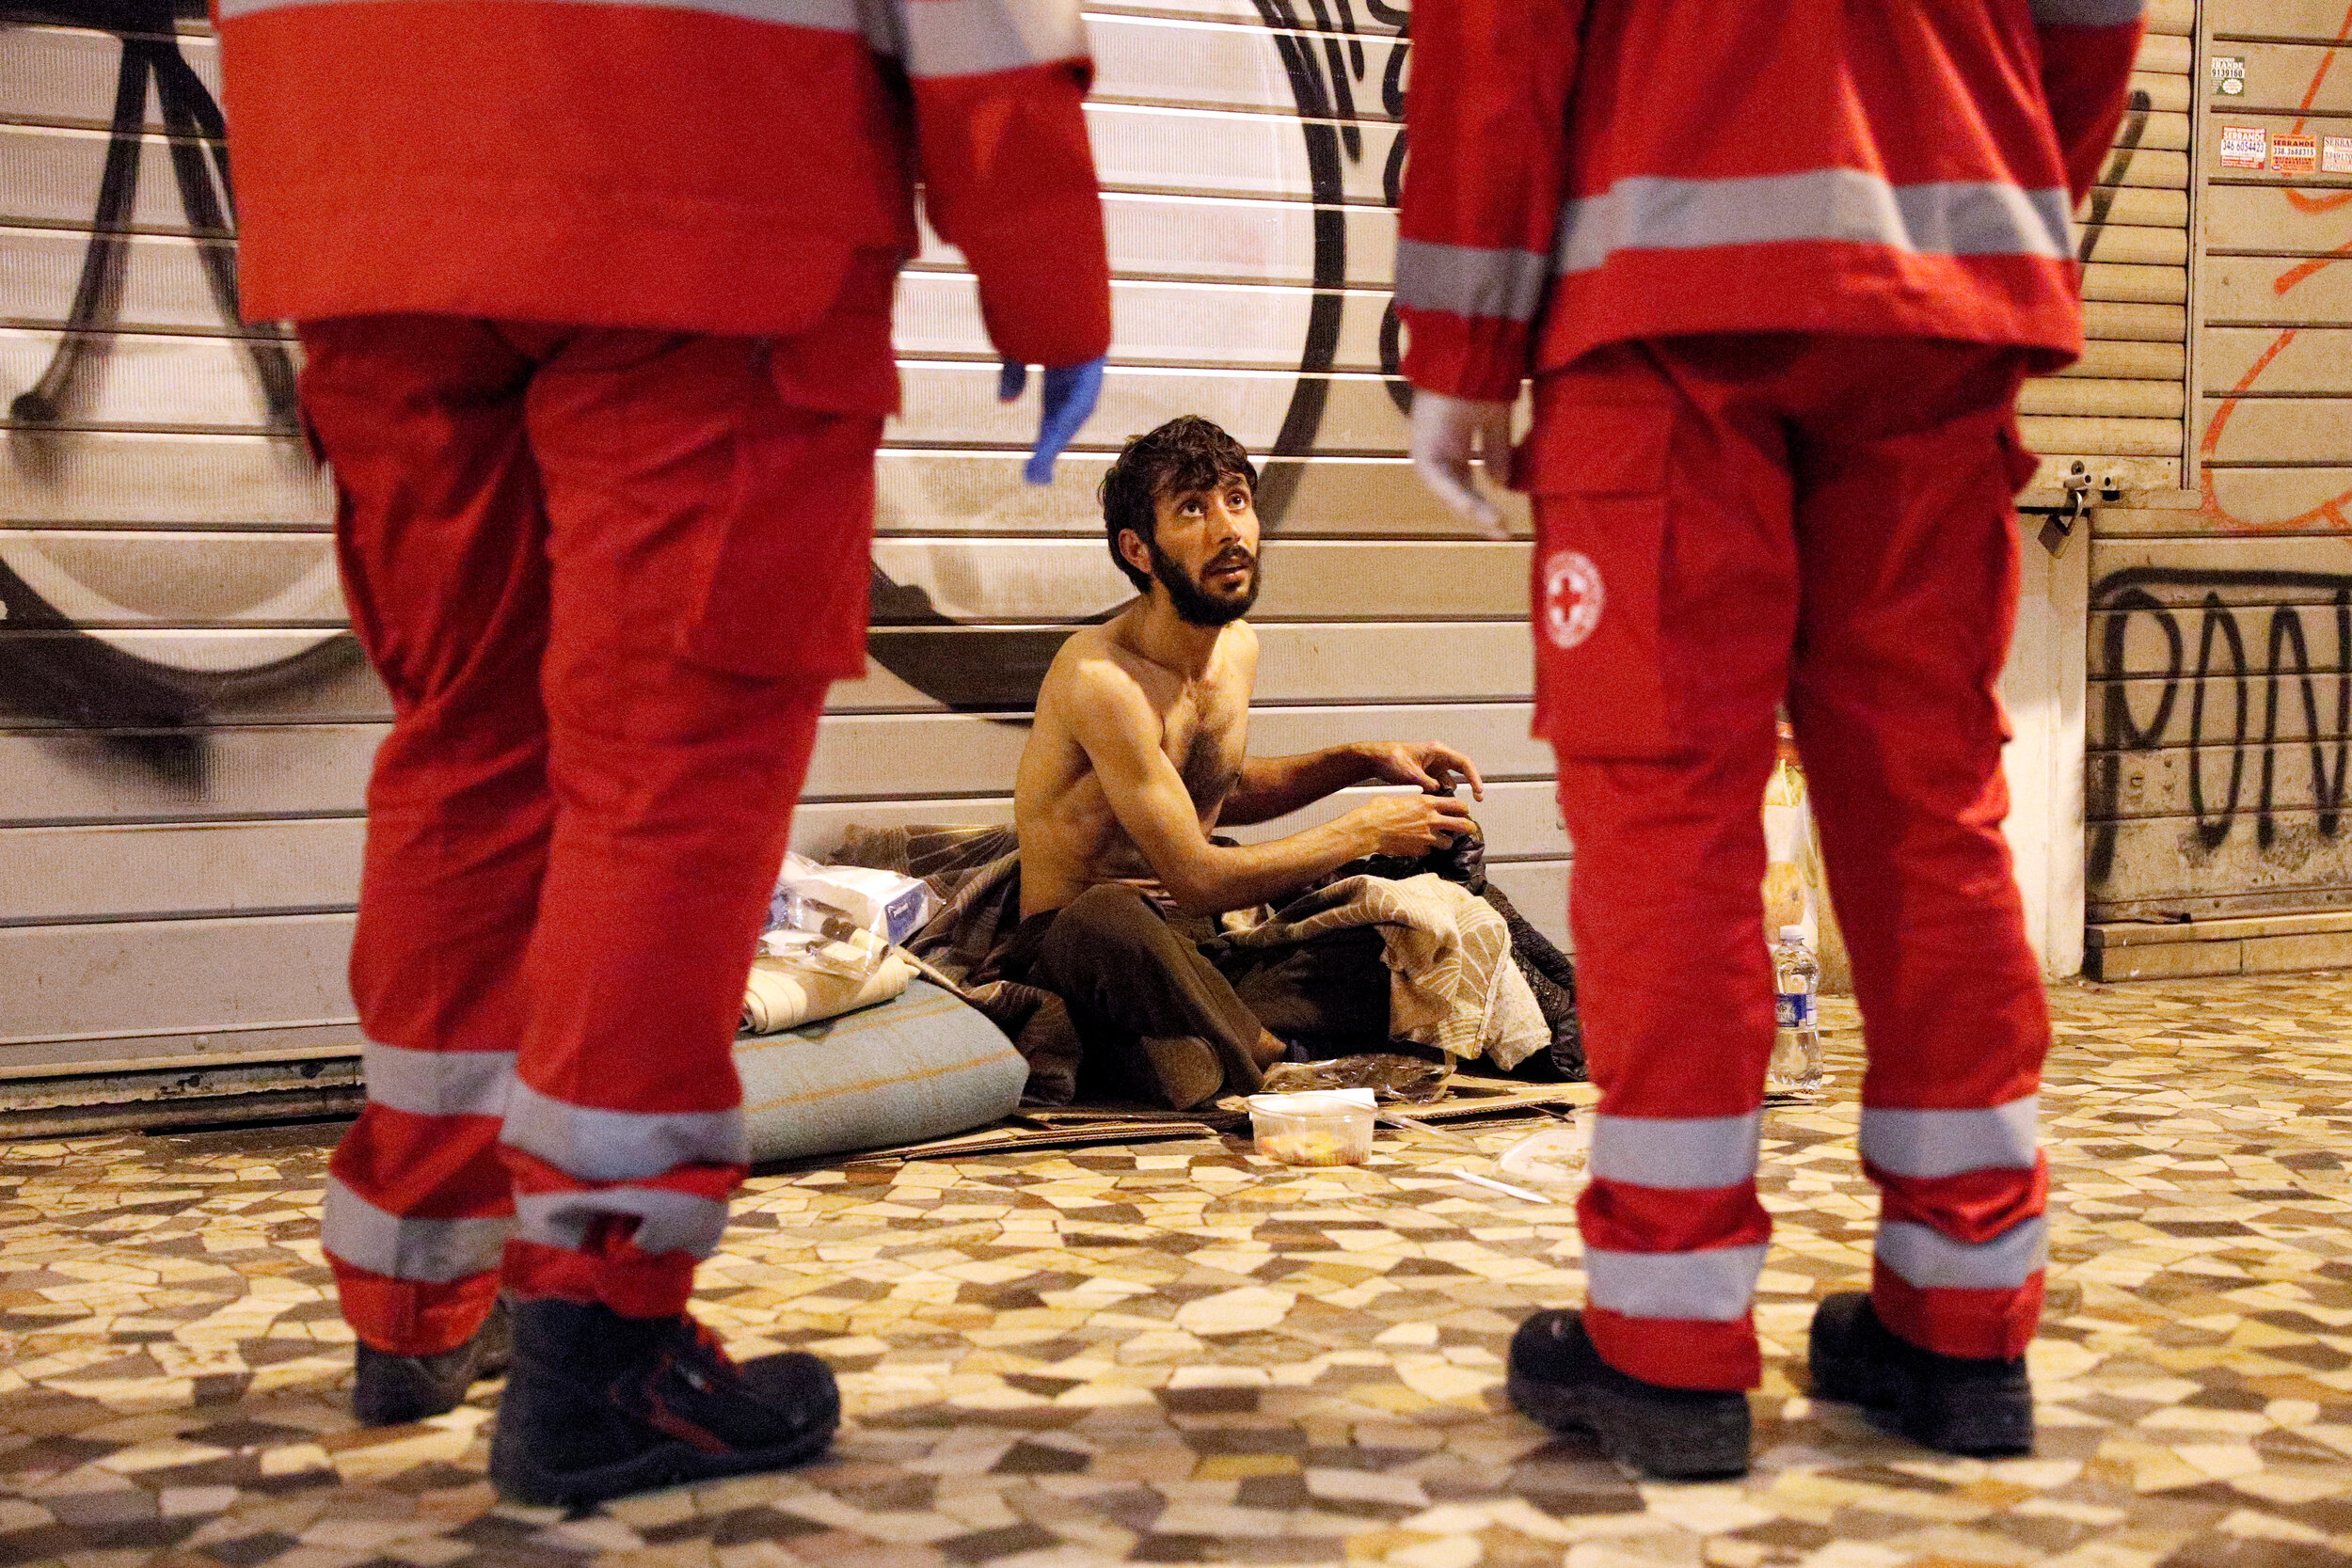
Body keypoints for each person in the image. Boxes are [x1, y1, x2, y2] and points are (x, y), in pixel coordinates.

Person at [215, 0, 1111, 1507]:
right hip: (708, 172)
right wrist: (1042, 253)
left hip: (369, 185)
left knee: (465, 758)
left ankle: (423, 1296)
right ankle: (602, 1338)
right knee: (669, 778)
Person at [1396, 0, 2145, 1478]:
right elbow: (2093, 23)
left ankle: (1668, 1348)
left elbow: (1496, 34)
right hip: (1944, 299)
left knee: (1668, 819)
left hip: (1664, 291)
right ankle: (1964, 1321)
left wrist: (1463, 346)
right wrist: (1982, 193)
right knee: (1934, 809)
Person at [1008, 416, 1485, 1106]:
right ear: (1139, 550)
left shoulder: (1237, 650)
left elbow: (1215, 790)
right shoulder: (1101, 679)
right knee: (1103, 916)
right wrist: (1362, 829)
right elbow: (1198, 876)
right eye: (1193, 509)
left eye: (1237, 499)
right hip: (1087, 955)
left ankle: (1199, 1049)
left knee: (1403, 934)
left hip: (1201, 947)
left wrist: (1362, 760)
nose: (1228, 529)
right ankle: (1265, 1058)